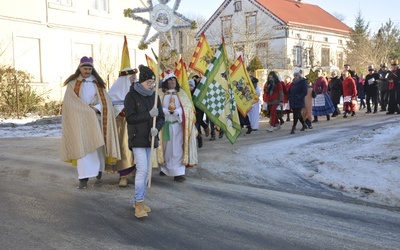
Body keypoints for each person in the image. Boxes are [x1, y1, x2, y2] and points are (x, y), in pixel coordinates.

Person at [60, 56, 120, 189]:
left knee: (98, 146)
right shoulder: (72, 84)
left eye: (89, 68)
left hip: (96, 120)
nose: (87, 71)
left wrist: (97, 109)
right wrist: (85, 111)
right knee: (83, 148)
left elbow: (106, 103)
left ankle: (98, 169)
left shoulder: (98, 84)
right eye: (85, 68)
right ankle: (83, 178)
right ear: (79, 68)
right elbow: (70, 103)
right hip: (80, 121)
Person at [124, 65, 165, 218]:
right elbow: (130, 118)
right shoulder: (131, 96)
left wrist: (157, 129)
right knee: (142, 170)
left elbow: (161, 117)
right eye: (149, 82)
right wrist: (148, 115)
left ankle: (138, 199)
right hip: (137, 138)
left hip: (150, 138)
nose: (151, 85)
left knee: (147, 171)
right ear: (141, 82)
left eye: (153, 83)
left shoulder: (154, 97)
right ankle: (139, 204)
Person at [157, 71, 198, 182]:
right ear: (166, 82)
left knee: (177, 149)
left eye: (174, 80)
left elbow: (188, 109)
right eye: (170, 81)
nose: (172, 82)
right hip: (164, 126)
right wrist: (164, 111)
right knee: (166, 148)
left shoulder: (182, 94)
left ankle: (178, 172)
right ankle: (165, 168)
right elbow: (156, 107)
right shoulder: (160, 94)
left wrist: (178, 112)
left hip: (178, 126)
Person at [108, 67, 138, 187]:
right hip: (121, 125)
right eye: (132, 78)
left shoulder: (137, 89)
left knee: (136, 148)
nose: (134, 80)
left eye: (135, 78)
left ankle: (136, 172)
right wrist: (121, 110)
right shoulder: (114, 92)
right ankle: (123, 175)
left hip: (135, 124)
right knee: (124, 148)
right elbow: (110, 105)